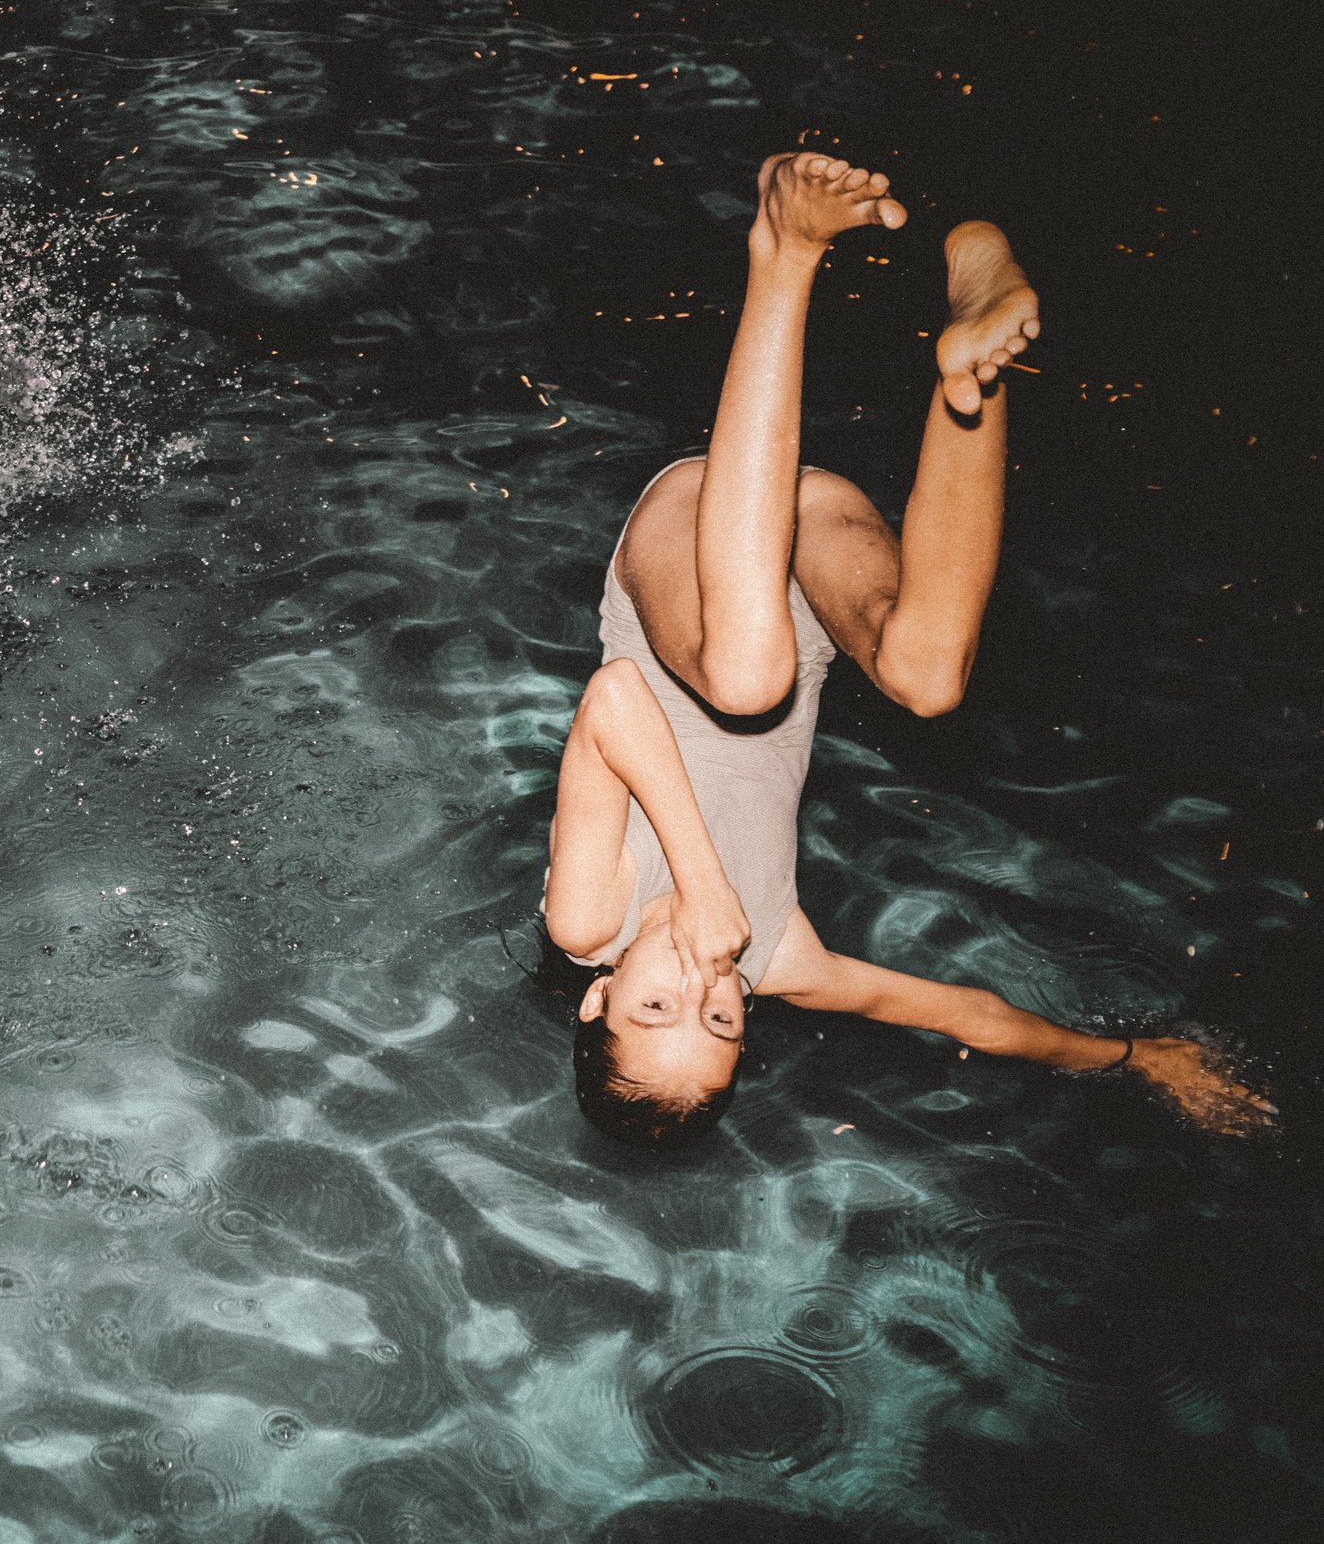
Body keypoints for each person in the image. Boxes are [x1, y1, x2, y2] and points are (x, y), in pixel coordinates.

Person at [539, 151, 1272, 1147]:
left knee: (747, 677)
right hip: (802, 550)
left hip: (689, 540)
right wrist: (1140, 1058)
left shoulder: (589, 921)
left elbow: (618, 696)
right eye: (719, 1020)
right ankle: (976, 352)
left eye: (655, 1006)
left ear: (599, 996)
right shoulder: (781, 956)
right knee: (925, 677)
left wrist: (704, 884)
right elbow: (966, 1015)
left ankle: (785, 247)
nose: (699, 982)